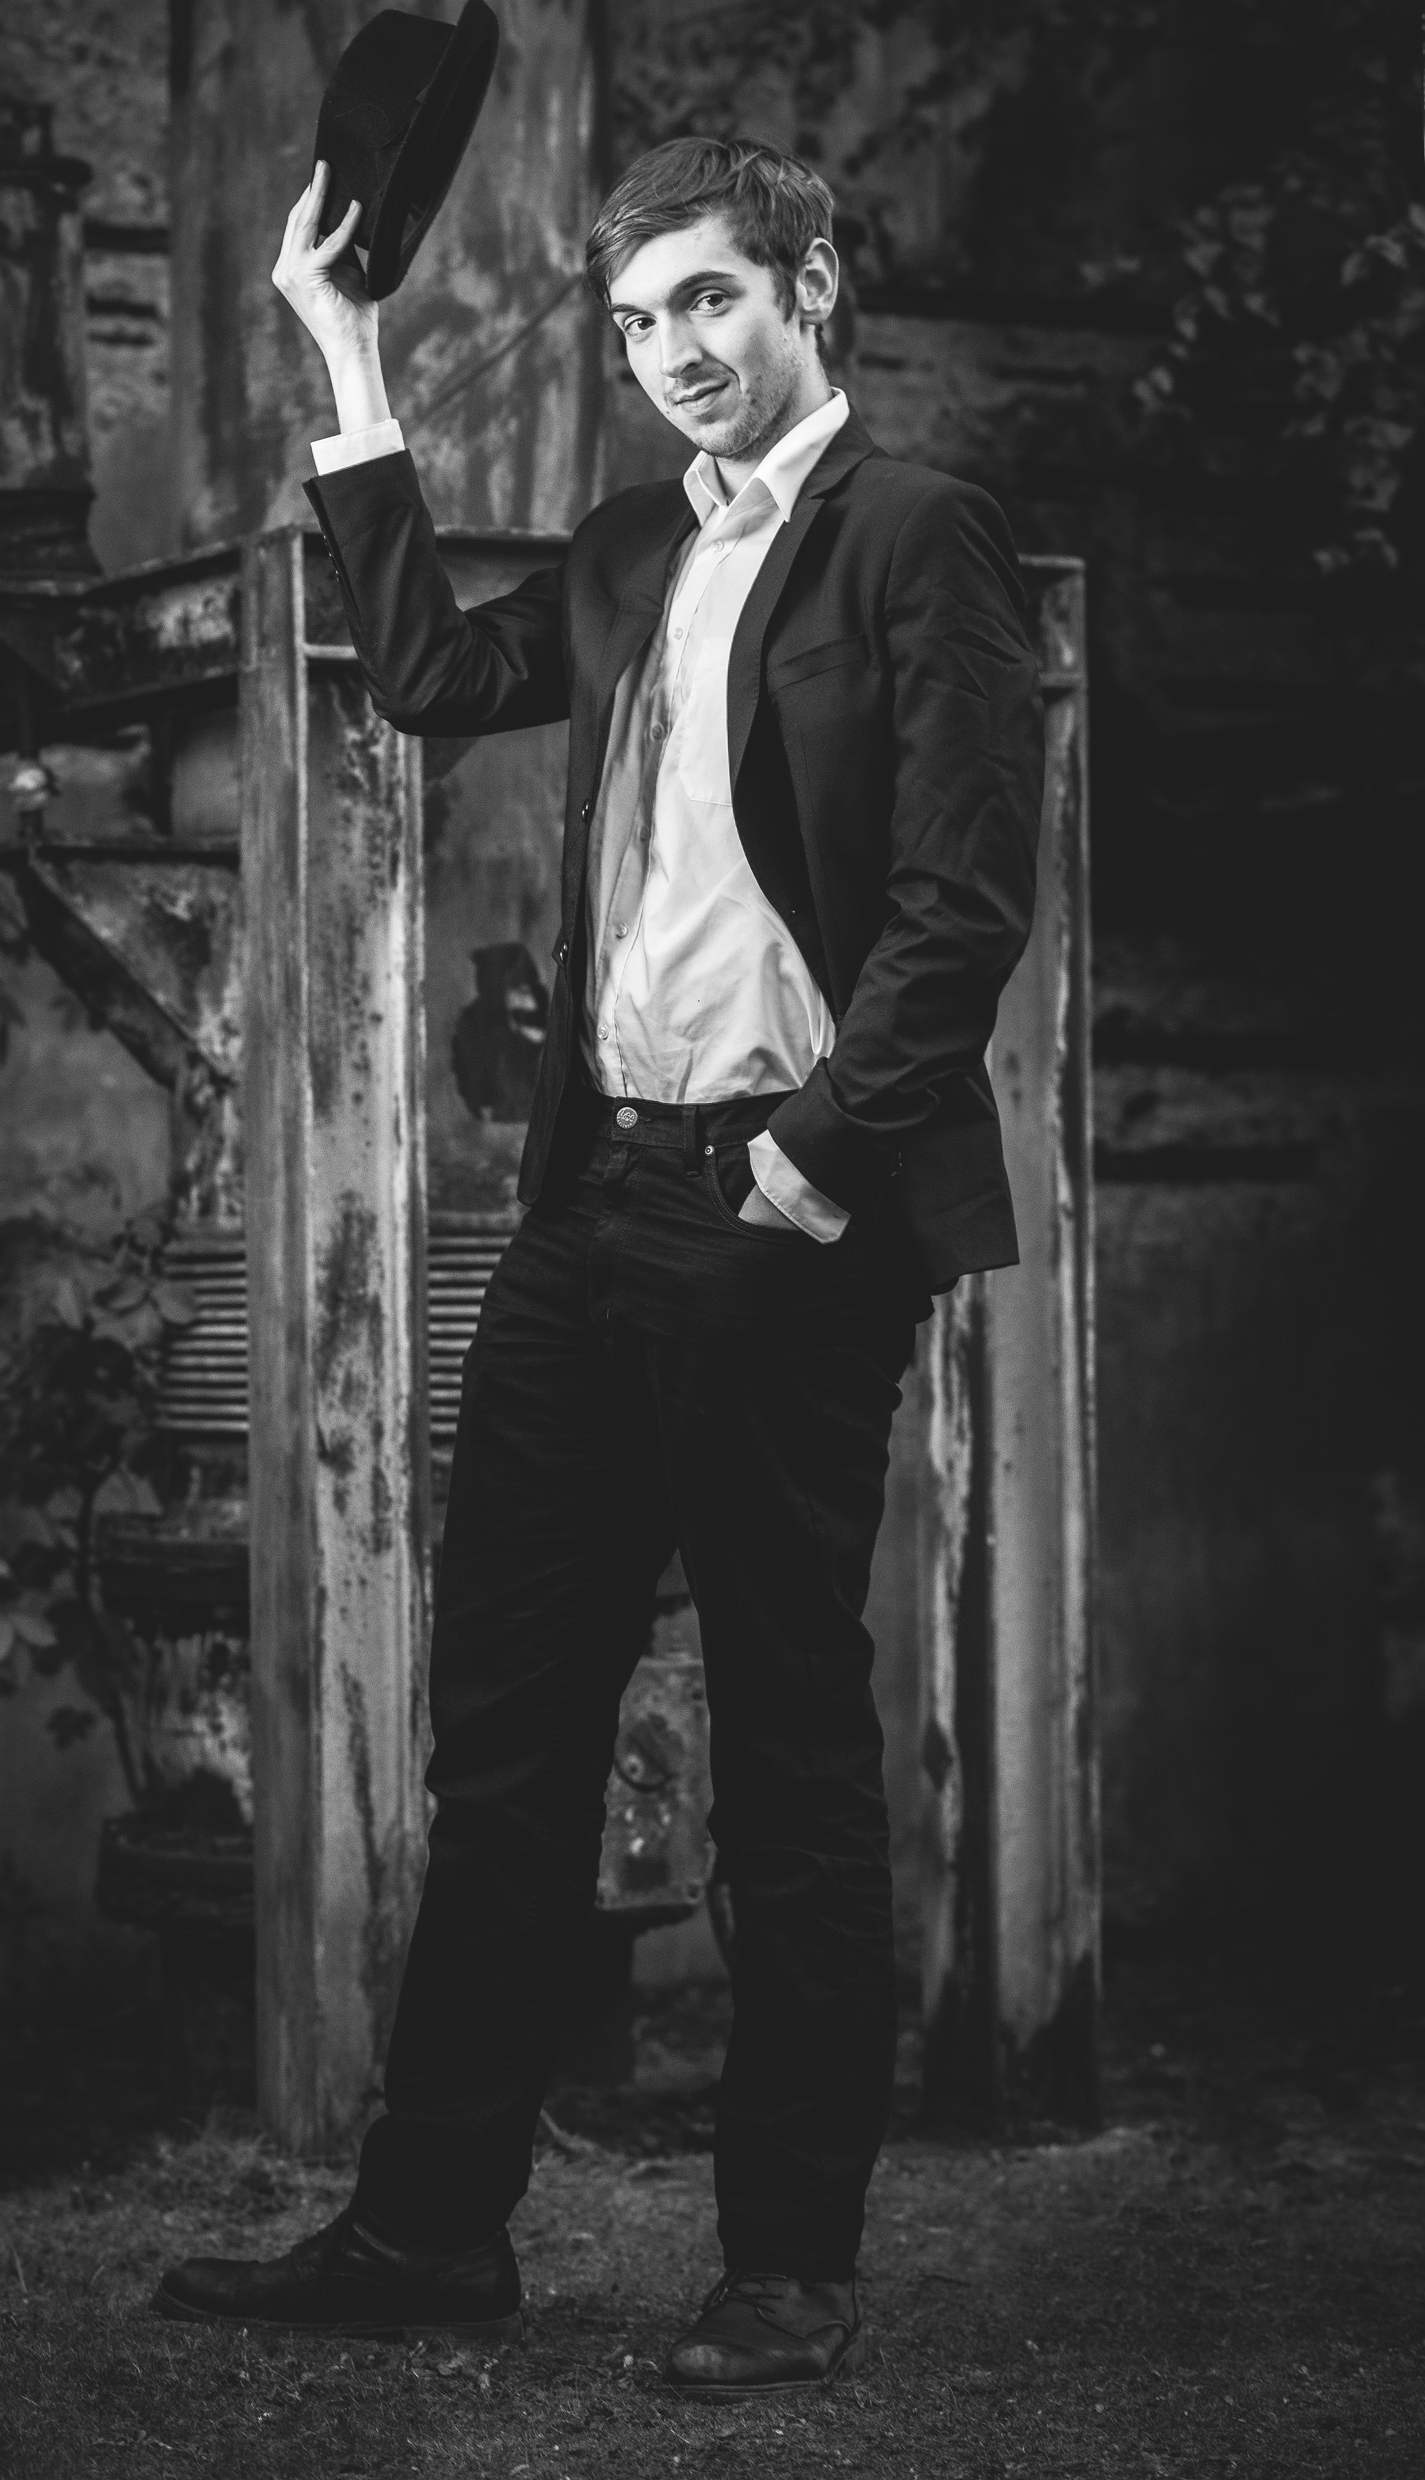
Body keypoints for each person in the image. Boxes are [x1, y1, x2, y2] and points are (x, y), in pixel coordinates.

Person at [156, 134, 1042, 2398]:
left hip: (778, 1211)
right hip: (590, 1206)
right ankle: (430, 2226)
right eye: (641, 321)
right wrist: (348, 359)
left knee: (784, 1744)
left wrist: (812, 1165)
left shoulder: (915, 533)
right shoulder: (637, 543)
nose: (675, 353)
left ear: (811, 285)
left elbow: (961, 899)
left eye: (713, 300)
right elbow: (429, 674)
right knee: (509, 1737)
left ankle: (786, 2267)